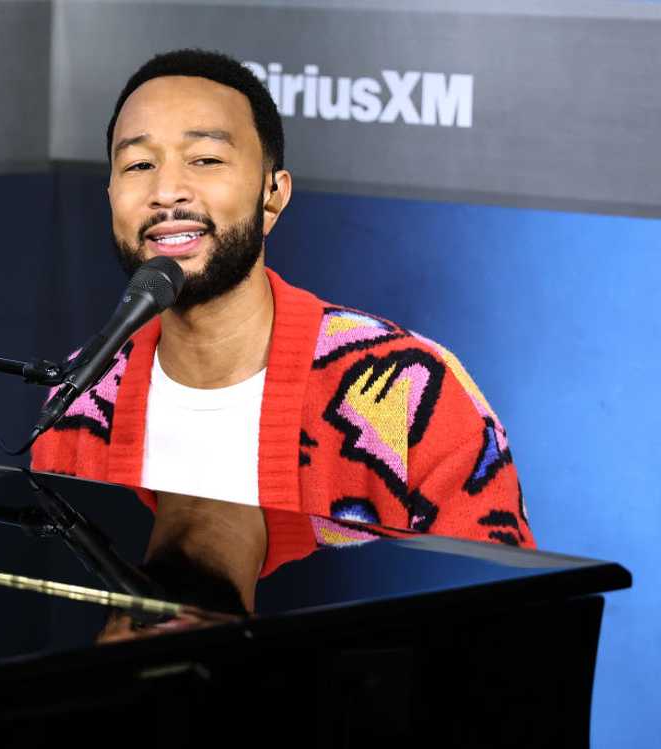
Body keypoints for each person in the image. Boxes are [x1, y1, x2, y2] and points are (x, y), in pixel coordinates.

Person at [32, 49, 533, 616]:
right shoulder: (83, 395)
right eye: (139, 165)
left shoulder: (413, 391)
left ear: (272, 195)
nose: (166, 191)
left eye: (205, 159)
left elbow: (503, 639)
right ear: (112, 198)